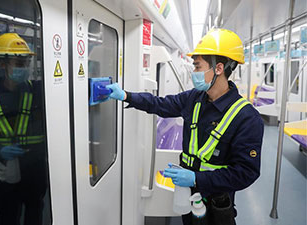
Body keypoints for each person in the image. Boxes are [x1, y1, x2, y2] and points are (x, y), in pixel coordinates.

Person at [106, 28, 264, 225]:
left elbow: (246, 172)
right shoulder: (194, 98)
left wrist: (197, 179)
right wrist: (127, 96)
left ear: (219, 68)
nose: (194, 73)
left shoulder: (247, 117)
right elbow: (160, 104)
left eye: (198, 67)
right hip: (186, 196)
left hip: (216, 202)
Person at [0, 33, 48, 225]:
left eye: (26, 63)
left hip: (34, 171)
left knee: (34, 214)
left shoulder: (38, 91)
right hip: (4, 171)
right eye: (19, 63)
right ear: (2, 65)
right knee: (7, 217)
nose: (25, 68)